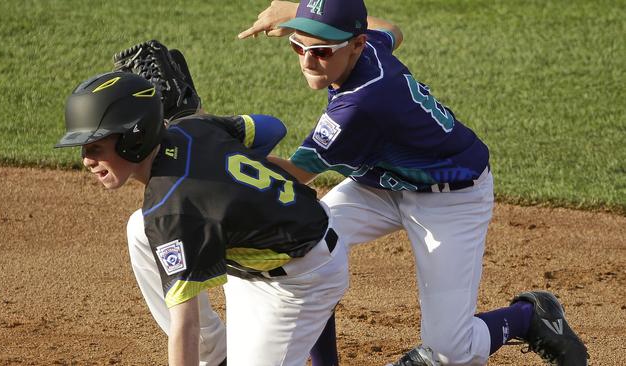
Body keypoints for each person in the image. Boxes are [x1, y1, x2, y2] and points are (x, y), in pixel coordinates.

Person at [238, 1, 589, 365]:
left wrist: (215, 146)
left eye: (322, 51)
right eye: (298, 46)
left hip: (452, 199)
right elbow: (392, 29)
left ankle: (529, 316)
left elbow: (293, 174)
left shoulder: (360, 105)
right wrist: (308, 11)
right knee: (305, 242)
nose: (308, 61)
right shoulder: (369, 47)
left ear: (356, 45)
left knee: (452, 353)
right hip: (379, 186)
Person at [55, 71, 349, 366]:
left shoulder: (170, 210)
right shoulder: (193, 125)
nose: (86, 160)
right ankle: (214, 353)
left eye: (95, 146)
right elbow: (271, 128)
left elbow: (185, 324)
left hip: (302, 279)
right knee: (139, 229)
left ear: (133, 136)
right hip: (269, 248)